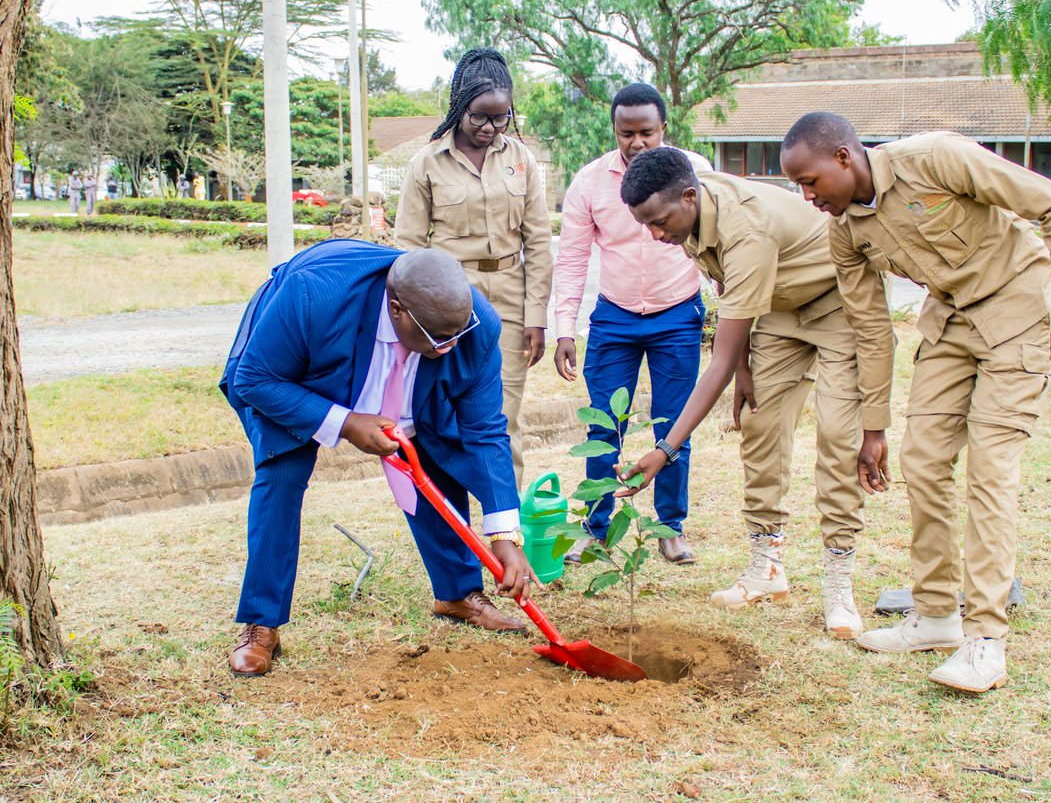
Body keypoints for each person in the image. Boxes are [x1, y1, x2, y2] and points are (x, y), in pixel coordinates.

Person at [780, 112, 1051, 693]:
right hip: (949, 322)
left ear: (844, 158)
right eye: (798, 187)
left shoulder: (937, 158)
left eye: (811, 182)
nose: (808, 196)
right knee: (921, 461)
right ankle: (937, 615)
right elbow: (871, 329)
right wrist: (874, 428)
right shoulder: (846, 232)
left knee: (991, 471)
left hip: (1017, 309)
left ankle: (985, 641)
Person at [221, 240, 540, 677]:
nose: (449, 347)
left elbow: (484, 431)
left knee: (434, 453)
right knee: (281, 473)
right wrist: (347, 422)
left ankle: (458, 593)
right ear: (396, 310)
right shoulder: (312, 294)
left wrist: (505, 532)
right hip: (296, 372)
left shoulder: (471, 325)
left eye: (456, 335)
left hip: (402, 380)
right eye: (436, 337)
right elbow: (255, 378)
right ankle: (261, 623)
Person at [617, 147, 869, 638]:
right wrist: (747, 365)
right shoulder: (686, 220)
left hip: (835, 303)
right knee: (759, 425)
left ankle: (839, 582)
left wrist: (666, 449)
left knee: (839, 438)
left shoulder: (744, 228)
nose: (655, 234)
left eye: (659, 222)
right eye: (644, 224)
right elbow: (732, 291)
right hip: (777, 309)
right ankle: (767, 567)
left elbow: (719, 358)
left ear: (689, 197)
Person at [553, 84, 711, 567]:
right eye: (627, 133)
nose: (637, 142)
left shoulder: (696, 173)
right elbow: (574, 259)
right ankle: (595, 527)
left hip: (678, 314)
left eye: (647, 132)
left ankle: (669, 528)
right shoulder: (588, 182)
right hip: (615, 317)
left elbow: (720, 246)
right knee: (605, 424)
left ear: (665, 129)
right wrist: (564, 328)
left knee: (674, 422)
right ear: (615, 131)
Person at [396, 48, 552, 488]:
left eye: (501, 118)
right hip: (447, 301)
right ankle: (456, 528)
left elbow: (538, 241)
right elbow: (407, 248)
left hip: (509, 301)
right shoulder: (426, 163)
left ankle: (507, 530)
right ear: (459, 106)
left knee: (503, 416)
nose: (490, 129)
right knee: (445, 418)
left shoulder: (521, 160)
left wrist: (537, 317)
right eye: (480, 117)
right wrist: (418, 324)